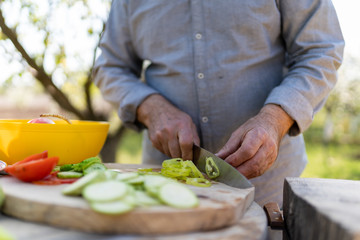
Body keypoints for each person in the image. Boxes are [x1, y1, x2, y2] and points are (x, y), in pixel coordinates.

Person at [92, 0, 344, 206]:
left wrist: (274, 120)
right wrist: (150, 107)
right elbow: (109, 66)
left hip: (267, 192)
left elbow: (321, 50)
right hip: (165, 186)